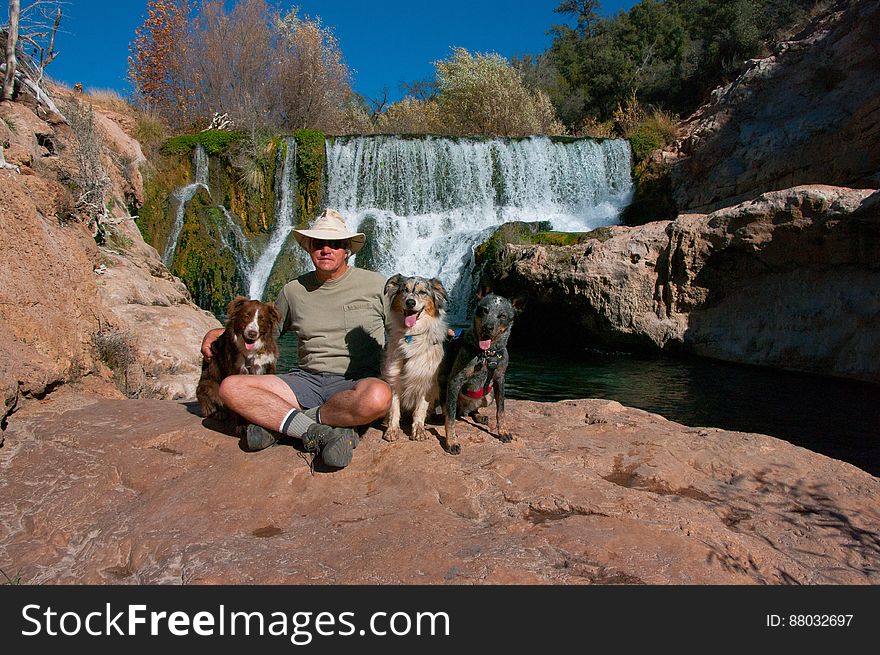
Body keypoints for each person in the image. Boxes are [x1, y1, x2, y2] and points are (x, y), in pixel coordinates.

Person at [201, 208, 392, 469]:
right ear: (309, 248)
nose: (326, 249)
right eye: (318, 244)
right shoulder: (293, 291)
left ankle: (288, 423)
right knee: (232, 388)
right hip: (305, 380)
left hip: (356, 381)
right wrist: (219, 334)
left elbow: (405, 330)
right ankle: (326, 430)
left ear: (346, 249)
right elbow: (264, 333)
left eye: (334, 244)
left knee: (379, 397)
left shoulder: (377, 285)